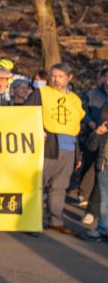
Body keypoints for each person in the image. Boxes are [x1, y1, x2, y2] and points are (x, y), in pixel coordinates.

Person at [25, 63, 85, 235]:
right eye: (53, 76)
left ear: (69, 77)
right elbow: (26, 114)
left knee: (60, 186)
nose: (55, 79)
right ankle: (34, 221)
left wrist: (78, 153)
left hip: (69, 148)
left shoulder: (75, 99)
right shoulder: (41, 93)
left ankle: (55, 221)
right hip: (49, 145)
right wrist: (37, 129)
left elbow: (76, 126)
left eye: (60, 76)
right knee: (39, 185)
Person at [81, 105, 108, 241]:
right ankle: (103, 229)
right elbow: (90, 147)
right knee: (104, 200)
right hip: (104, 168)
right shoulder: (104, 128)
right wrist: (97, 132)